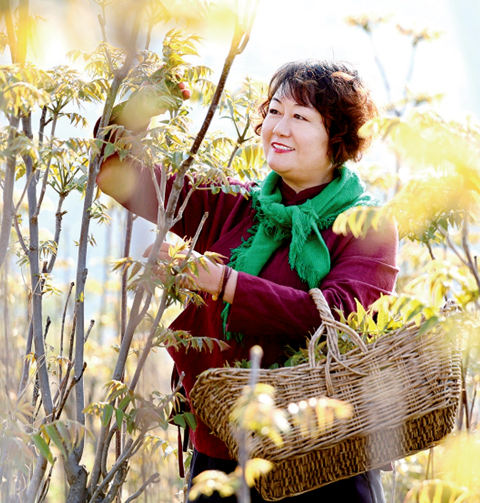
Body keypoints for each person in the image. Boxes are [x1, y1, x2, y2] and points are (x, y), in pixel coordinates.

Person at [96, 60, 398, 502]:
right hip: (221, 453)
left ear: (338, 139)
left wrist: (226, 283)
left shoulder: (367, 225)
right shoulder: (233, 204)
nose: (280, 126)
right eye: (274, 111)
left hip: (325, 462)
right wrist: (145, 102)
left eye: (300, 117)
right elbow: (113, 169)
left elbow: (339, 318)